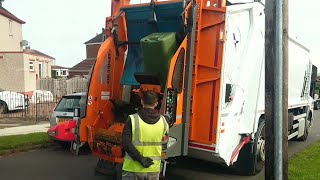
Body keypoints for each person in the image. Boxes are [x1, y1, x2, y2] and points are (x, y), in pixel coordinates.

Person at [122, 91, 169, 180]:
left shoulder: (132, 119)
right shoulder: (163, 121)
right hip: (153, 169)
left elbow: (126, 143)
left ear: (142, 102)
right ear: (156, 104)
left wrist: (141, 159)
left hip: (133, 169)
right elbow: (165, 143)